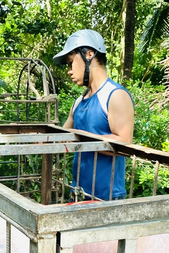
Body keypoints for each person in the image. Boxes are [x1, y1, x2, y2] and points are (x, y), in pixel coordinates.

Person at [53, 29, 134, 200]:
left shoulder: (115, 95)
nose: (69, 71)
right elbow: (61, 138)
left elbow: (125, 143)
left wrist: (81, 138)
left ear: (89, 54)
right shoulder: (78, 102)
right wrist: (33, 134)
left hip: (106, 199)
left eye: (70, 63)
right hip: (78, 195)